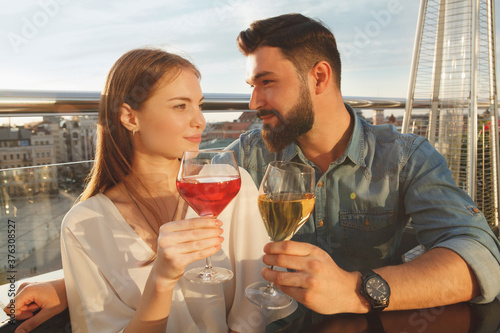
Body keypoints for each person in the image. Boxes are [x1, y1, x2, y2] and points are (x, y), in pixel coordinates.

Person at [5, 12, 500, 332]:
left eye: (266, 82)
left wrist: (354, 289)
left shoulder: (405, 156)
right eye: (250, 84)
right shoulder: (241, 161)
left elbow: (481, 256)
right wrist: (71, 284)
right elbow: (164, 226)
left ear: (319, 78)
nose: (252, 101)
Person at [4, 48, 295, 333]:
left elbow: (254, 309)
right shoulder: (82, 225)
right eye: (181, 106)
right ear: (130, 118)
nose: (201, 120)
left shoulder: (232, 186)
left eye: (200, 105)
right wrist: (162, 279)